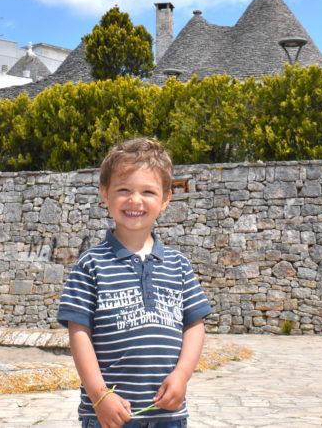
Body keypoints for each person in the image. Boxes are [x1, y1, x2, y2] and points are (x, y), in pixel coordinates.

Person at [57, 138, 212, 428]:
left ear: (166, 199)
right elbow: (79, 332)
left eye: (148, 192)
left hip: (168, 415)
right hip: (109, 416)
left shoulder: (178, 265)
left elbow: (194, 325)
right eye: (124, 190)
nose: (135, 200)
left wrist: (182, 377)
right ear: (105, 194)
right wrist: (99, 396)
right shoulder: (91, 265)